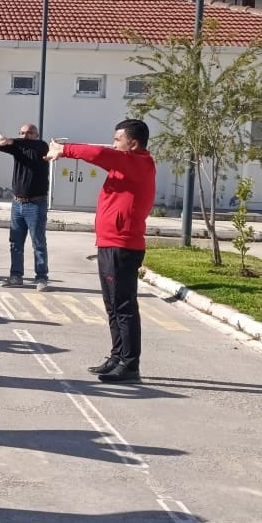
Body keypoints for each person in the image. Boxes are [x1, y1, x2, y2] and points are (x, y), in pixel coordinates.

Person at [47, 119, 157, 384]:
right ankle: (117, 357)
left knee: (123, 306)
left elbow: (98, 154)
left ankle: (130, 365)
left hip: (123, 245)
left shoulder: (138, 162)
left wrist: (65, 149)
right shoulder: (126, 165)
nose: (113, 143)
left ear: (133, 143)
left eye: (117, 139)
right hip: (109, 243)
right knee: (112, 306)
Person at [0, 124, 53, 288]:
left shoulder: (42, 147)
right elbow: (2, 146)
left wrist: (9, 140)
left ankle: (41, 277)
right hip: (17, 203)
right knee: (15, 242)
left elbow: (26, 144)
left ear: (37, 134)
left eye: (30, 133)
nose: (25, 136)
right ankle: (16, 276)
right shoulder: (17, 148)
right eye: (22, 133)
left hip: (36, 204)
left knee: (38, 242)